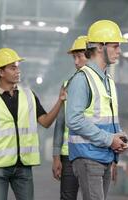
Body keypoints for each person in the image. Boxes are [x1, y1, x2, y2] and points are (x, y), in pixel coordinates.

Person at [0, 47, 65, 200]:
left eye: (18, 67)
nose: (18, 71)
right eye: (12, 67)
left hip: (23, 167)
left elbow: (46, 122)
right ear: (1, 72)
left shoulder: (29, 95)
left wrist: (60, 101)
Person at [65, 20, 128, 200]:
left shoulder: (107, 80)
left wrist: (119, 137)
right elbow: (74, 119)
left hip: (104, 155)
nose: (119, 51)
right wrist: (109, 140)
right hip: (88, 155)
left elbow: (106, 118)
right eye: (115, 46)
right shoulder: (82, 79)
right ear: (100, 47)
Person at [52, 35, 87, 200]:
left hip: (93, 154)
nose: (76, 61)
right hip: (69, 155)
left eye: (80, 56)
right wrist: (56, 156)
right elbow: (60, 123)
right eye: (74, 57)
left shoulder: (103, 86)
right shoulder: (67, 85)